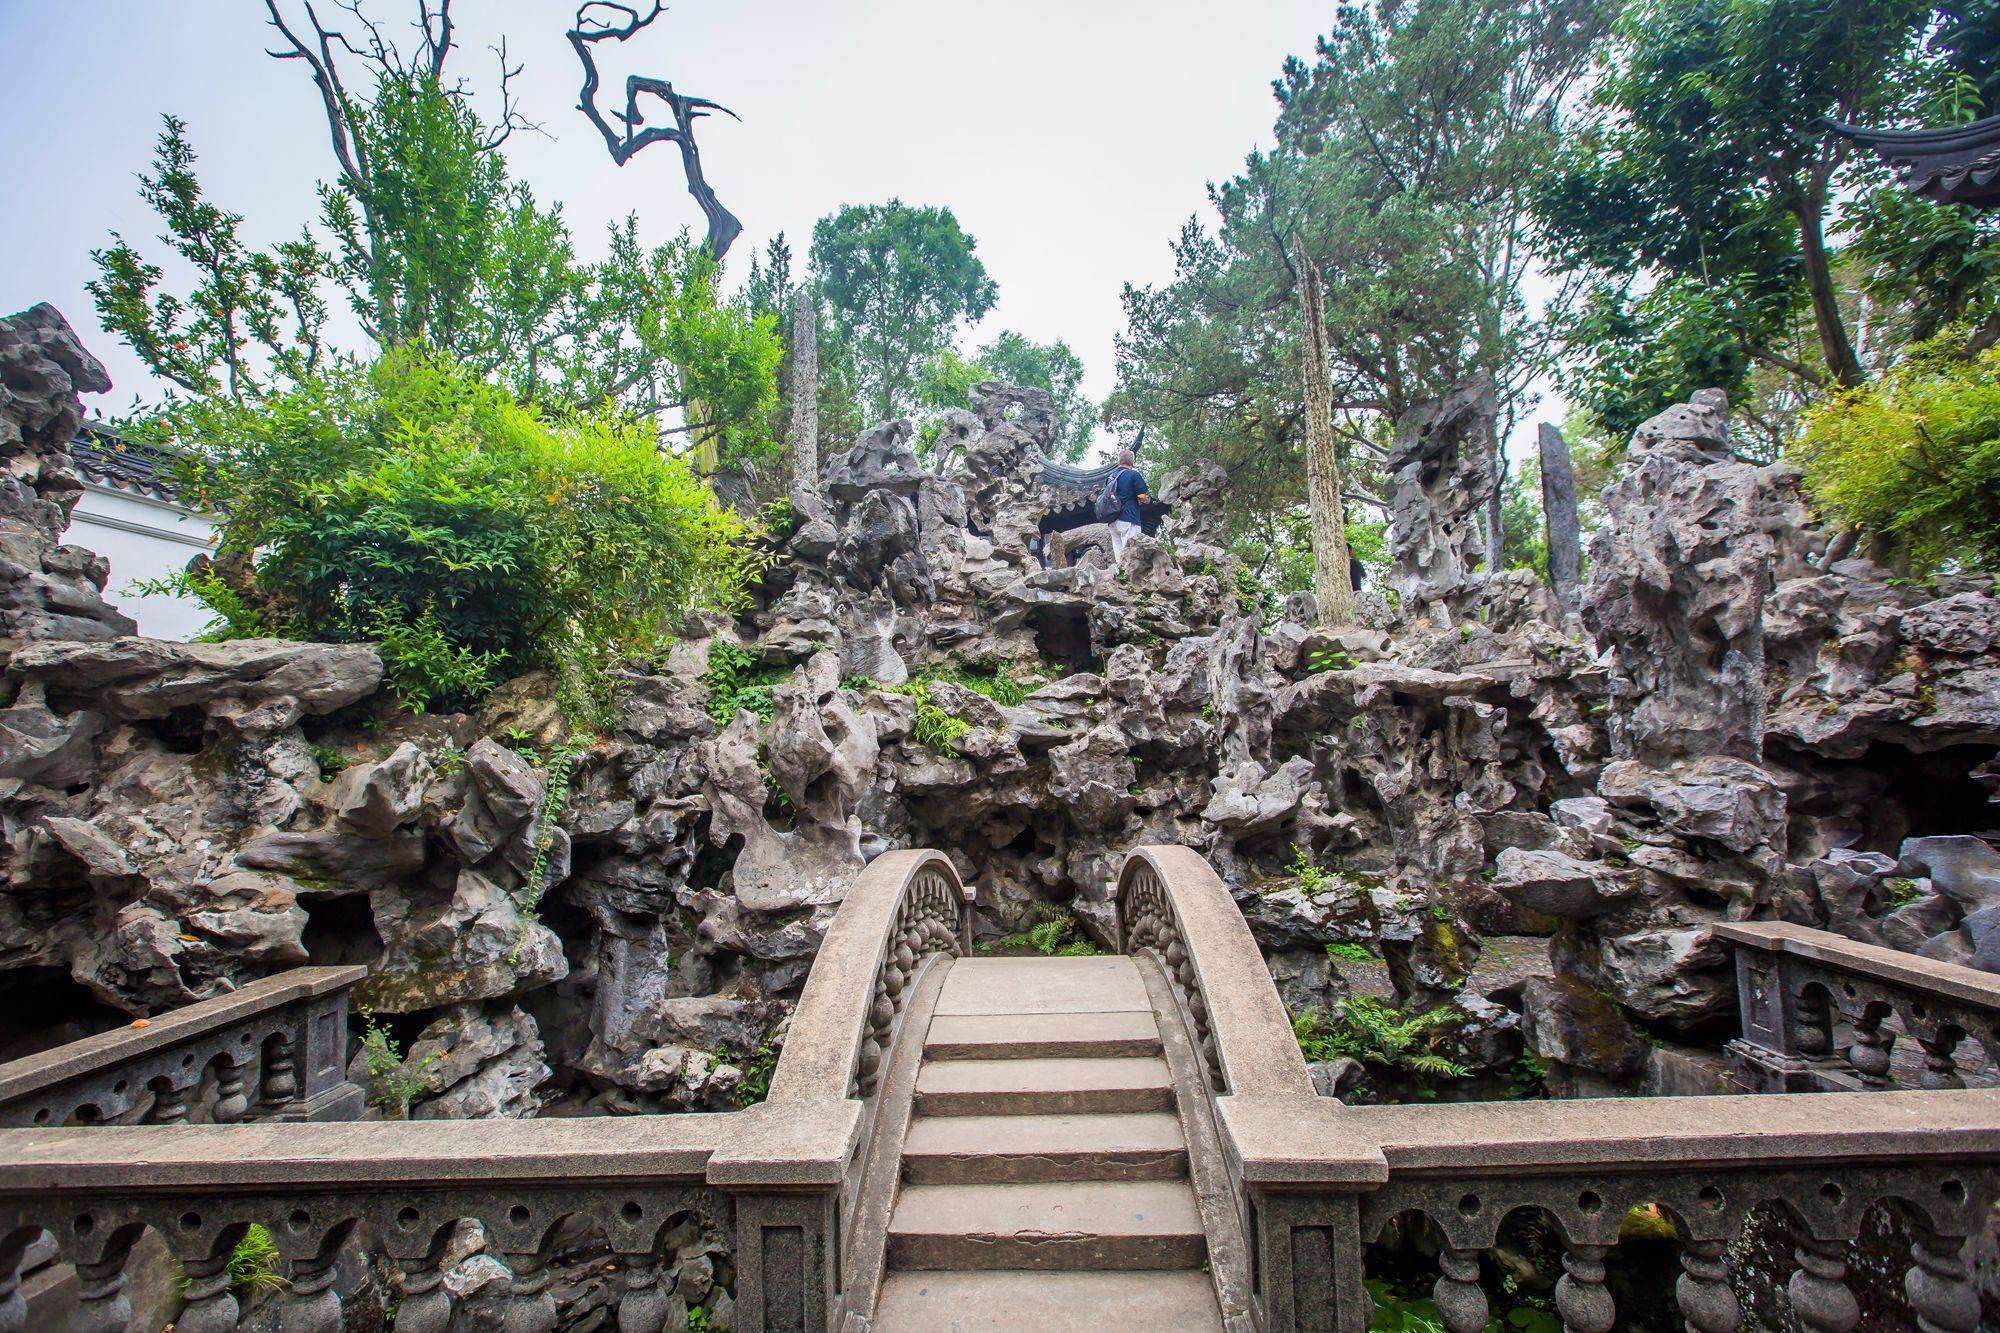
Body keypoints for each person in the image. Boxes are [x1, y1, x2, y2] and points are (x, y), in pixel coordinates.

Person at [1107, 450, 1151, 563]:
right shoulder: (1133, 474)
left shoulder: (1110, 477)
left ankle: (1122, 577)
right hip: (1128, 518)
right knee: (1132, 553)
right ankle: (1131, 578)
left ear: (1118, 461)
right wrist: (1145, 500)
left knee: (1119, 555)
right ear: (1133, 462)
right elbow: (1142, 496)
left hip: (1112, 520)